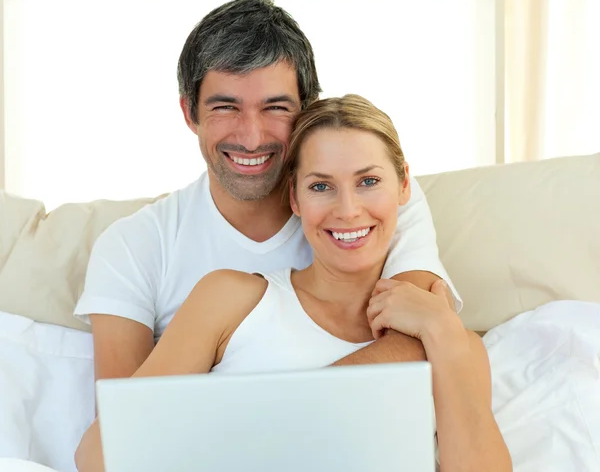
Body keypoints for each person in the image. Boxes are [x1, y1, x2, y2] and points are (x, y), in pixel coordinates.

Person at [75, 95, 511, 472]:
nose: (348, 210)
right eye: (321, 186)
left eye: (369, 182)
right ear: (295, 199)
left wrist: (441, 333)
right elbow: (97, 454)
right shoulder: (231, 300)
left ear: (403, 187)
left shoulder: (452, 343)